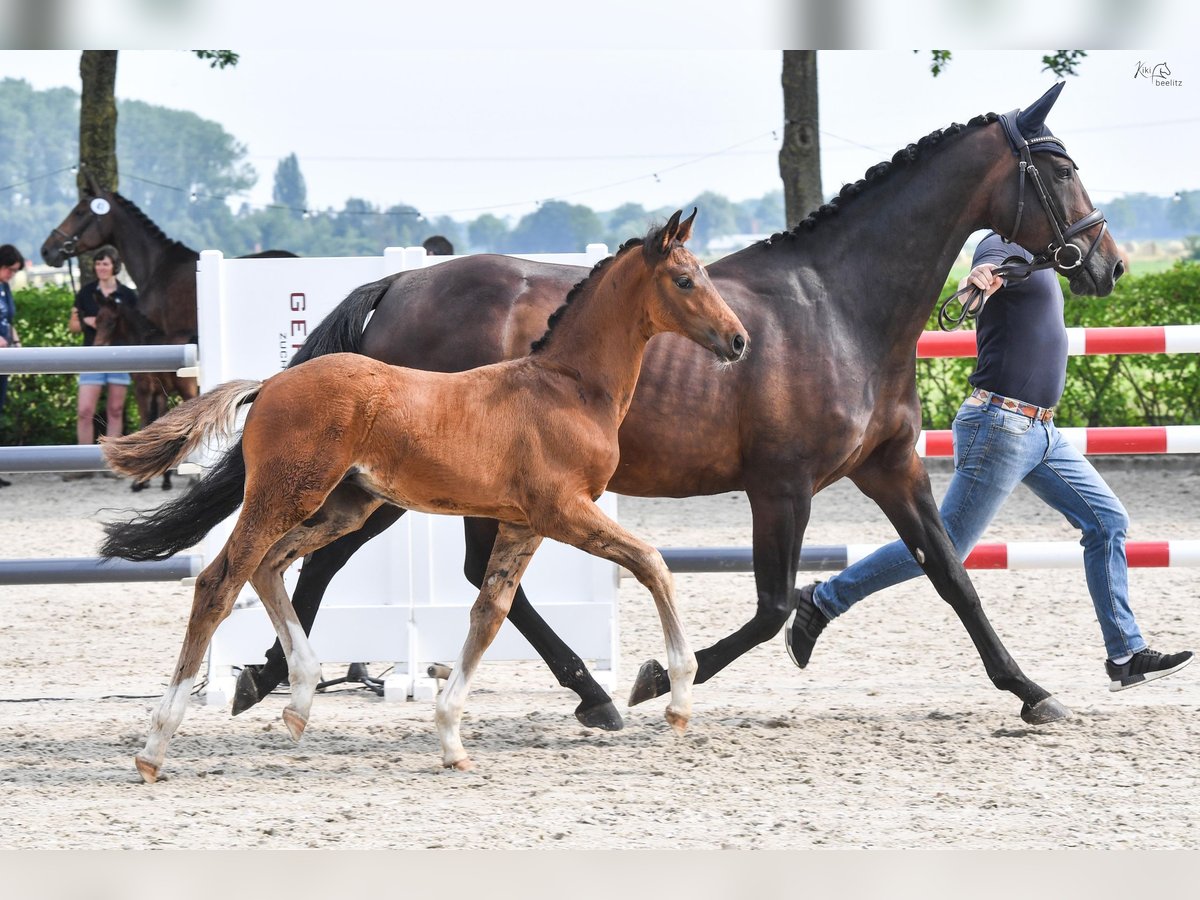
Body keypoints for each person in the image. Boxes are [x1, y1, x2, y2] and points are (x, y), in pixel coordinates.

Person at [785, 231, 1193, 692]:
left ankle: (1125, 654)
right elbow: (981, 279)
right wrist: (976, 284)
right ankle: (823, 601)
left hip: (1043, 432)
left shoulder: (1041, 255)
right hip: (999, 426)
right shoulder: (1001, 246)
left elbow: (1088, 259)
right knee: (948, 546)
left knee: (1108, 521)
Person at [64, 246, 137, 480]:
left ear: (114, 265)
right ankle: (83, 465)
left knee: (115, 410)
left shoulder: (128, 295)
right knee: (85, 410)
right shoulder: (85, 293)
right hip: (92, 356)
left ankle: (112, 464)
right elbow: (72, 328)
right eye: (97, 264)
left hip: (119, 356)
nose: (100, 268)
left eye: (105, 264)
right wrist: (86, 321)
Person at [0, 244, 25, 488]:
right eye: (10, 269)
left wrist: (16, 342)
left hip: (4, 358)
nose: (12, 275)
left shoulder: (5, 288)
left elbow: (9, 320)